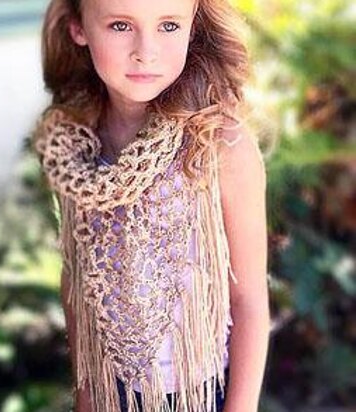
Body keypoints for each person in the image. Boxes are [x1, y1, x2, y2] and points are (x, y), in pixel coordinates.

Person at [32, 0, 271, 410]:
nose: (146, 51)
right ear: (78, 28)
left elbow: (248, 299)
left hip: (202, 393)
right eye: (121, 25)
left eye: (168, 25)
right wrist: (87, 396)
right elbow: (76, 281)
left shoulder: (220, 145)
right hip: (111, 392)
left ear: (193, 27)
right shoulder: (73, 150)